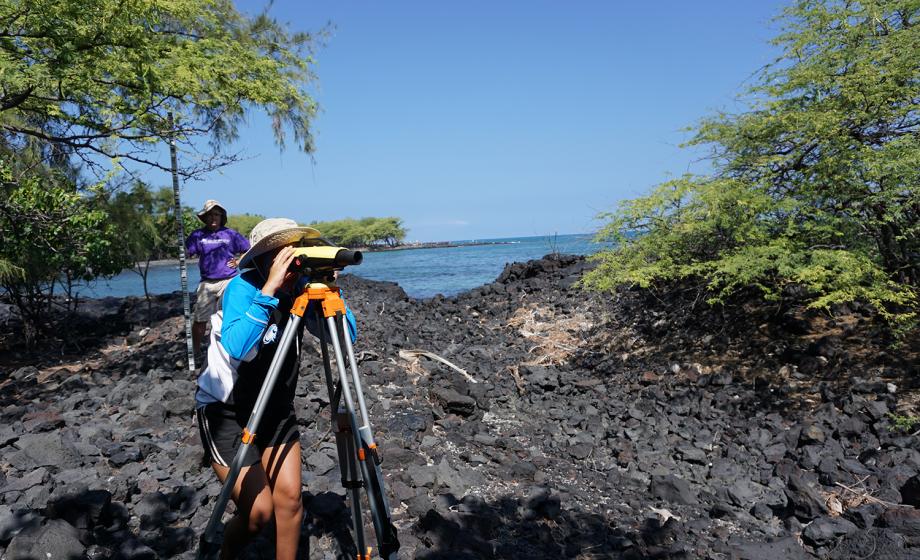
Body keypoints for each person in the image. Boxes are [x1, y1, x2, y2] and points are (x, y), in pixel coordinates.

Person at [194, 218, 356, 560]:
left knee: (290, 501)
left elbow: (345, 339)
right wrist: (268, 291)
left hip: (274, 406)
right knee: (258, 513)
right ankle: (226, 554)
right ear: (264, 259)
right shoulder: (244, 287)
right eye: (283, 253)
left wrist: (328, 290)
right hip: (227, 411)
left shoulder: (301, 289)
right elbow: (238, 346)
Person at [186, 199, 250, 355]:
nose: (213, 218)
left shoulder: (231, 234)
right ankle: (194, 351)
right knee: (200, 319)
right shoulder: (198, 235)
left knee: (230, 316)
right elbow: (187, 252)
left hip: (229, 281)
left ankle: (229, 349)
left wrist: (239, 261)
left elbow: (248, 249)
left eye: (216, 214)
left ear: (221, 217)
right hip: (207, 283)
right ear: (205, 217)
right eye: (209, 215)